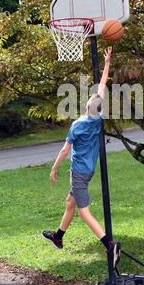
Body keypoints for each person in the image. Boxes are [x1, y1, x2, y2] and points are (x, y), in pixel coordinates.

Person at [42, 47, 121, 269]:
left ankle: (110, 244)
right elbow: (102, 87)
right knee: (70, 201)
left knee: (83, 212)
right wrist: (106, 64)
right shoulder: (98, 118)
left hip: (78, 172)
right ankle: (58, 236)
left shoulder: (78, 125)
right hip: (88, 170)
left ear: (87, 105)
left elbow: (65, 151)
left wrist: (54, 168)